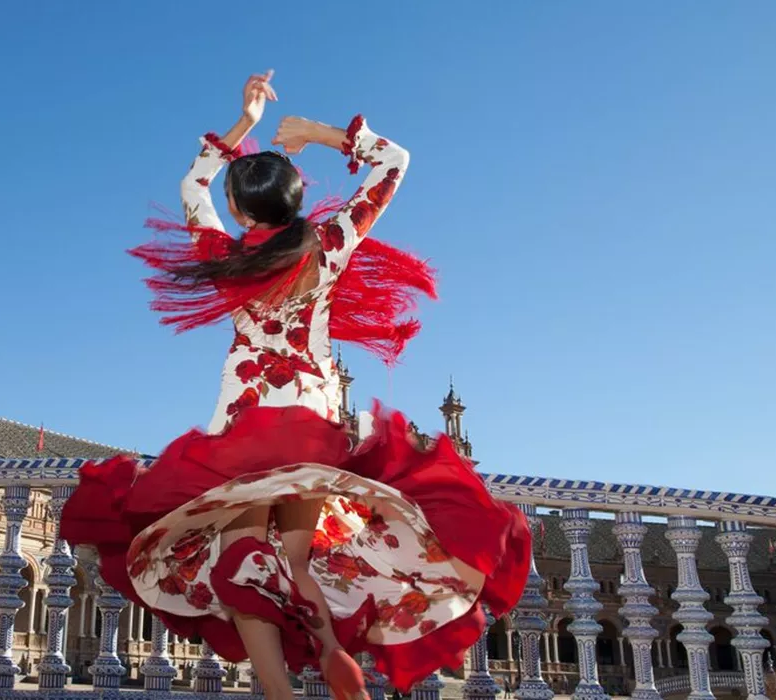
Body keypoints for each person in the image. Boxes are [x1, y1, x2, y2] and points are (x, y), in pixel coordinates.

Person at [61, 71, 531, 700]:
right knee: (299, 563)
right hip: (313, 424)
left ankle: (281, 694)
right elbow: (394, 162)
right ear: (296, 199)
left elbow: (192, 184)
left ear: (237, 210)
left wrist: (245, 122)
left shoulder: (224, 254)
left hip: (245, 423)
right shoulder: (327, 246)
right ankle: (334, 654)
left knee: (241, 563)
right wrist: (319, 132)